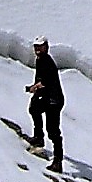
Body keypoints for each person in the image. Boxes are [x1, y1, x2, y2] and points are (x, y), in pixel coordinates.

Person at [24, 37, 64, 173]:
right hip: (46, 97)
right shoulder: (40, 60)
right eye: (35, 47)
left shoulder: (47, 61)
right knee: (34, 107)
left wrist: (34, 88)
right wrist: (35, 89)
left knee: (53, 131)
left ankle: (58, 161)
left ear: (46, 47)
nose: (37, 49)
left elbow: (45, 81)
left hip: (54, 100)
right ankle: (38, 137)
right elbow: (39, 79)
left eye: (40, 47)